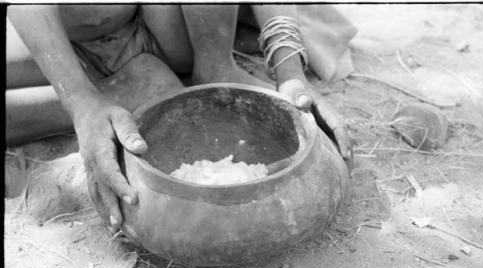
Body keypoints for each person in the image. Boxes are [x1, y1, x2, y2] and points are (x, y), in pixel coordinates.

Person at [7, 4, 354, 233]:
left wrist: (289, 71)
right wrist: (80, 102)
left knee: (185, 73)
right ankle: (125, 90)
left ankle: (211, 68)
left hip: (161, 28)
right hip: (56, 36)